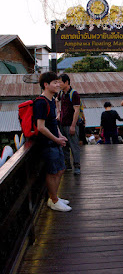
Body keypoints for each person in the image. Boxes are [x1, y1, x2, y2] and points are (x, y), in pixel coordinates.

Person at [33, 71, 72, 212]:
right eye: (55, 82)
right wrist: (56, 139)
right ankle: (54, 200)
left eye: (58, 82)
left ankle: (54, 197)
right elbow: (41, 127)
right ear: (46, 85)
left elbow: (53, 124)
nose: (58, 85)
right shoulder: (41, 102)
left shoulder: (52, 100)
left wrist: (60, 136)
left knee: (60, 169)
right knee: (52, 172)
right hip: (48, 144)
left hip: (55, 142)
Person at [56, 73, 81, 175]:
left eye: (60, 82)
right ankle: (67, 165)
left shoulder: (74, 94)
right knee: (64, 146)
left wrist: (73, 126)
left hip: (70, 124)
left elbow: (77, 110)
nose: (58, 84)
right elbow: (56, 101)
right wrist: (58, 112)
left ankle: (77, 166)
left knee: (74, 146)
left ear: (66, 82)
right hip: (62, 123)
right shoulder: (61, 94)